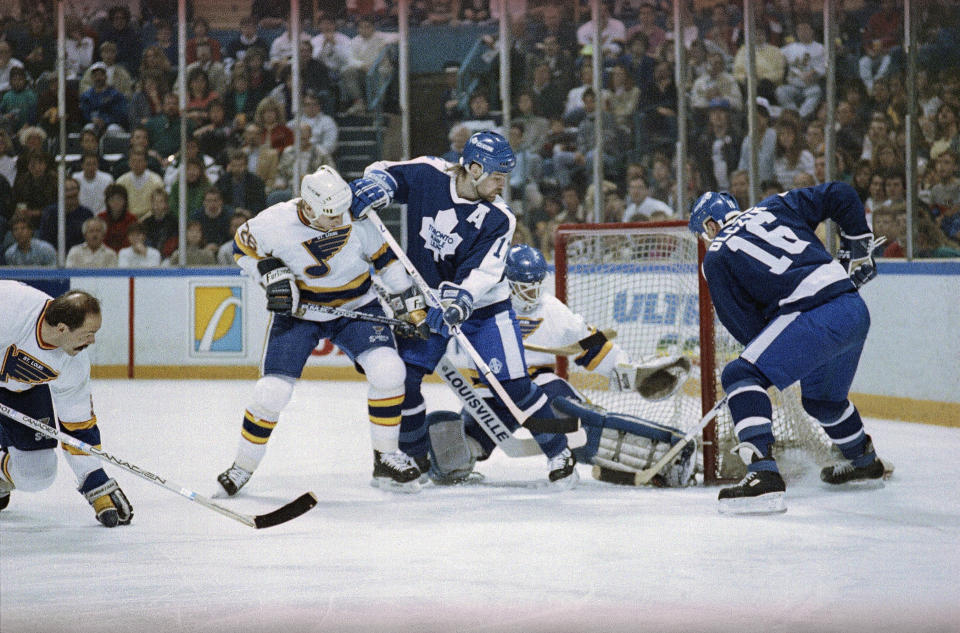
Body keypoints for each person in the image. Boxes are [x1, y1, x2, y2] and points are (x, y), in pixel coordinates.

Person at [346, 130, 580, 486]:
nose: (503, 184)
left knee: (514, 385)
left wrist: (461, 300)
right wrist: (378, 186)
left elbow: (485, 271)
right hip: (428, 304)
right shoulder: (429, 174)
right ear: (472, 168)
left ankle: (560, 451)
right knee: (406, 379)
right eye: (497, 176)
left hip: (486, 308)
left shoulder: (500, 218)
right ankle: (415, 458)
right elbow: (382, 170)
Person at [216, 166, 425, 495]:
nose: (341, 220)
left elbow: (386, 260)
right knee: (271, 392)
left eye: (343, 212)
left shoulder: (355, 214)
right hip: (301, 312)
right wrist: (269, 273)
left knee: (389, 371)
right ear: (309, 208)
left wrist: (412, 306)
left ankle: (386, 455)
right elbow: (242, 250)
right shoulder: (273, 223)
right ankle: (242, 466)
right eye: (331, 216)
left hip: (357, 305)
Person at [688, 183, 889, 514]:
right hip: (853, 309)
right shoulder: (775, 206)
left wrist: (763, 369)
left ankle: (762, 475)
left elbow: (747, 329)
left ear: (710, 226)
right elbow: (841, 193)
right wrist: (857, 246)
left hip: (812, 316)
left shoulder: (715, 256)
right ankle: (864, 461)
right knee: (823, 401)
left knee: (740, 373)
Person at [424, 244, 695, 486]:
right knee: (458, 452)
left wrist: (628, 372)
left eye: (536, 284)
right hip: (491, 394)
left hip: (541, 387)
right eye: (524, 285)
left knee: (585, 429)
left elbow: (590, 346)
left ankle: (670, 449)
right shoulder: (480, 304)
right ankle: (415, 457)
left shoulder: (551, 309)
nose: (532, 293)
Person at [0, 283, 133, 525]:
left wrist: (96, 482)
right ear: (62, 328)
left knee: (37, 474)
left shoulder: (74, 364)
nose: (92, 341)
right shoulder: (9, 306)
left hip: (21, 391)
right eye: (86, 334)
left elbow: (78, 427)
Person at [38, 177, 94, 252]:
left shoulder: (87, 214)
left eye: (73, 189)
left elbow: (89, 240)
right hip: (54, 256)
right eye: (66, 190)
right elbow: (44, 240)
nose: (71, 193)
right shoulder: (50, 213)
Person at [115, 149, 165, 220]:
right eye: (133, 161)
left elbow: (159, 205)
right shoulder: (121, 182)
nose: (136, 164)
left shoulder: (156, 181)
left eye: (140, 161)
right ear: (129, 163)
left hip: (150, 220)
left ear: (146, 163)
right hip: (127, 220)